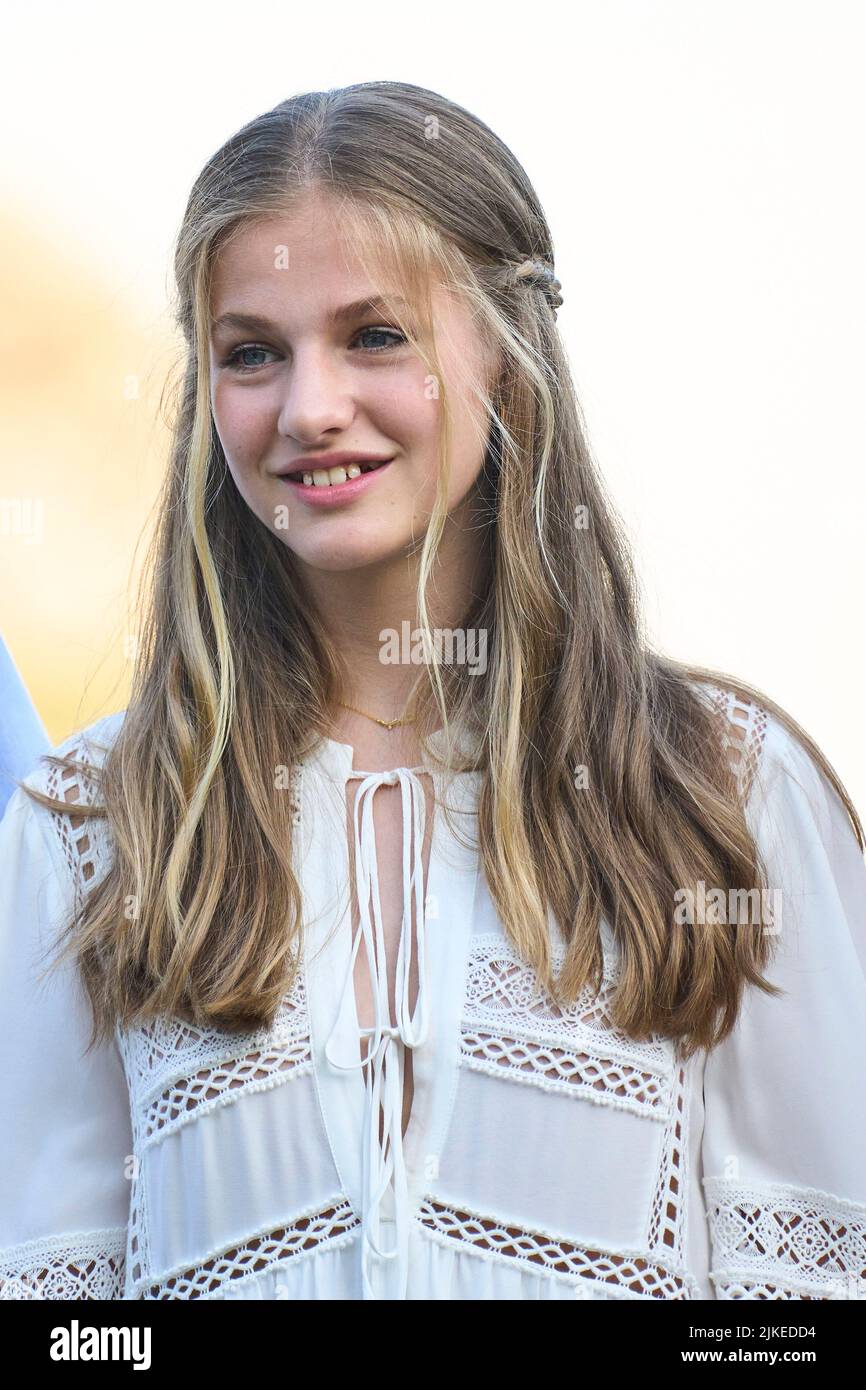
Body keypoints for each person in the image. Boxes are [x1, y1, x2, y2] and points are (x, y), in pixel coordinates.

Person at [0, 80, 864, 1302]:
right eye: (253, 351)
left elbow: (815, 1305)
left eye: (376, 335)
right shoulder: (89, 825)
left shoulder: (724, 788)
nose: (309, 408)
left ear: (504, 359)